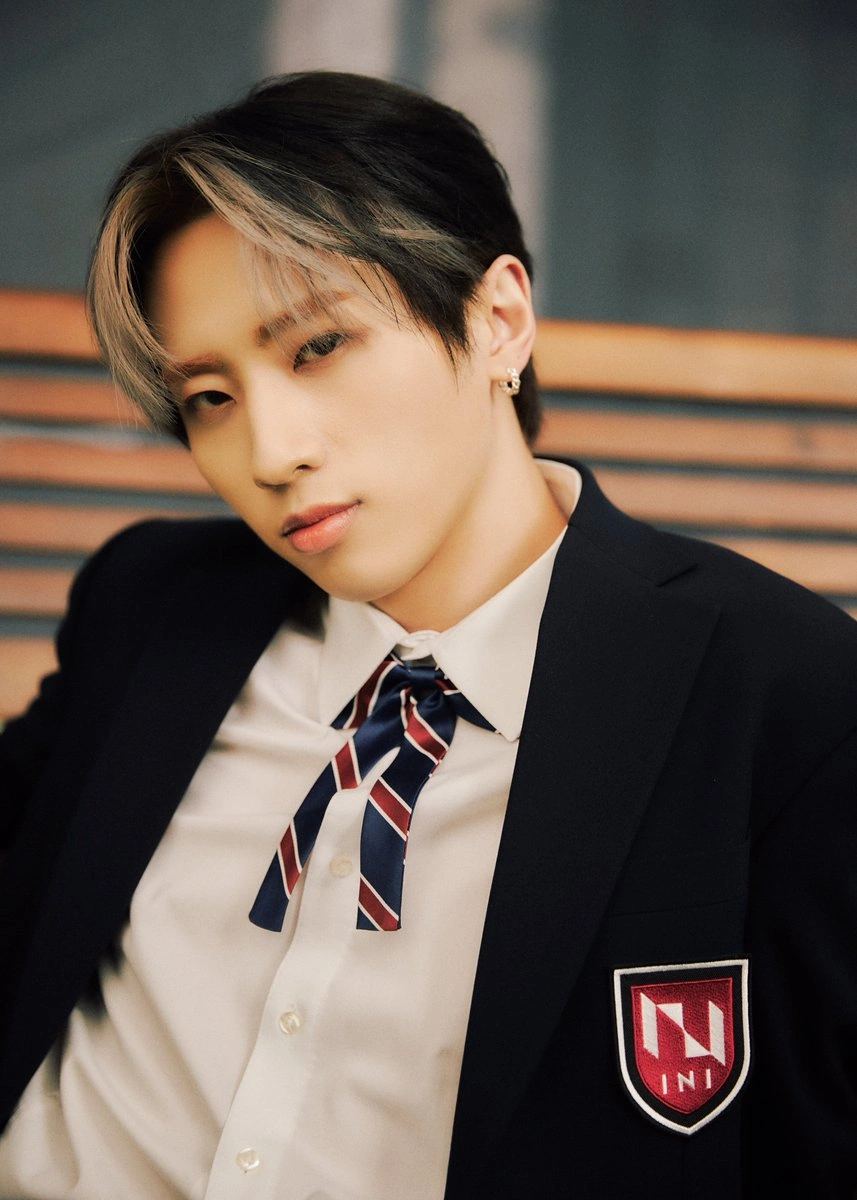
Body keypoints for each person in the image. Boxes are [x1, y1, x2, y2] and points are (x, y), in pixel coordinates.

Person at [1, 70, 856, 1200]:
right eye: (209, 397)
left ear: (496, 320)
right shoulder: (150, 606)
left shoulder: (785, 698)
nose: (270, 452)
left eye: (317, 346)